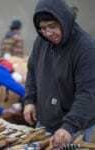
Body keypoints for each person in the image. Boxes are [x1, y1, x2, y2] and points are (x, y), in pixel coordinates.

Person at [23, 0, 95, 148]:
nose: (48, 33)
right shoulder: (41, 41)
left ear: (64, 20)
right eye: (42, 28)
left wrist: (69, 127)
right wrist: (30, 100)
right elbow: (32, 71)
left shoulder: (86, 49)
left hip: (74, 127)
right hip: (44, 121)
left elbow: (88, 94)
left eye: (52, 26)